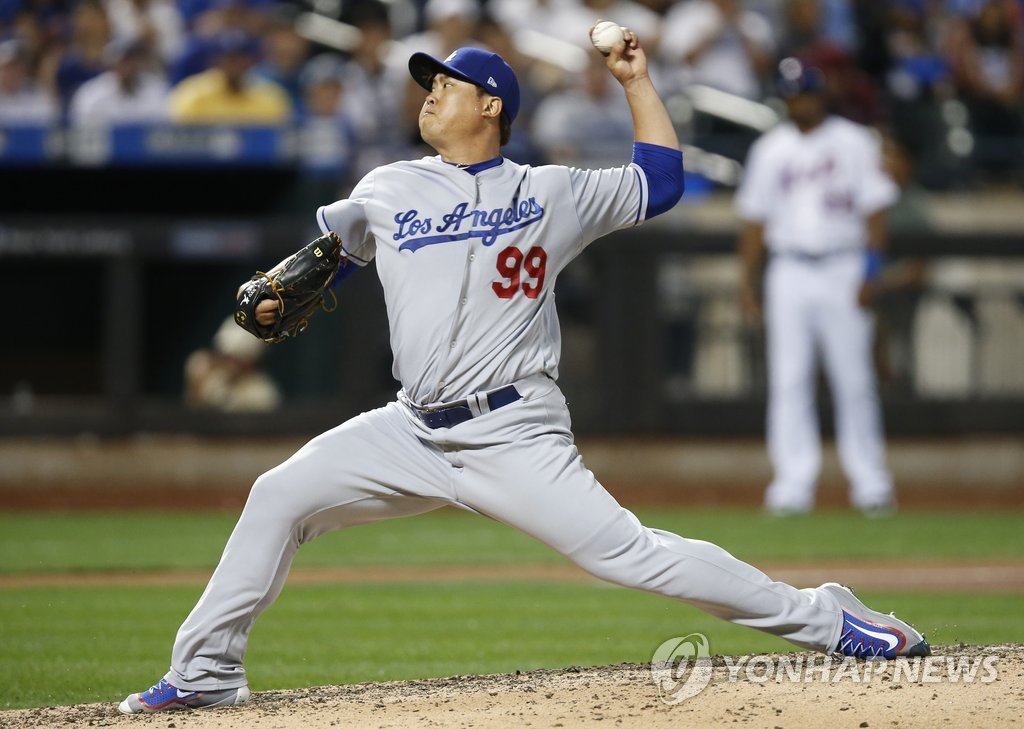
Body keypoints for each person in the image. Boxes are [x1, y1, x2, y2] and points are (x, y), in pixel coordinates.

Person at [119, 32, 929, 715]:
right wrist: (269, 299)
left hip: (514, 430)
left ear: (491, 105)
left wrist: (635, 81)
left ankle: (828, 617)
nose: (430, 93)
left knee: (634, 555)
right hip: (410, 427)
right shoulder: (388, 186)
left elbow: (661, 181)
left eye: (447, 84)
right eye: (427, 84)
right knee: (278, 494)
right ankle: (206, 668)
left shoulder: (550, 191)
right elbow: (324, 261)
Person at [737, 58, 899, 517]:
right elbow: (753, 222)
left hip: (843, 265)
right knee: (789, 379)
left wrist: (871, 271)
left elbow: (875, 212)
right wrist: (747, 285)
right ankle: (792, 485)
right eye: (791, 94)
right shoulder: (770, 148)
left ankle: (871, 483)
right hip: (788, 268)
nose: (799, 102)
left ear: (820, 93)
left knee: (855, 379)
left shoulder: (853, 141)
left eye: (805, 92)